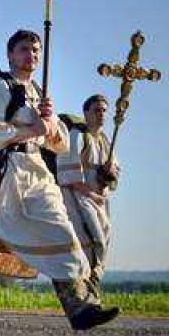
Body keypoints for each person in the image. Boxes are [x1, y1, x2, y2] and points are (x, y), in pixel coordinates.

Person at [0, 30, 120, 330]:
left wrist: (50, 124)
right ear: (10, 54)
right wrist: (30, 130)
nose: (32, 55)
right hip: (5, 174)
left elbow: (59, 144)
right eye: (24, 49)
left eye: (36, 51)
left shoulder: (38, 91)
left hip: (36, 176)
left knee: (62, 231)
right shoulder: (0, 87)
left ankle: (80, 307)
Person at [58, 94, 120, 302]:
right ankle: (84, 297)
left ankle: (92, 289)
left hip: (99, 200)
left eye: (104, 110)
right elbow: (68, 174)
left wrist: (110, 173)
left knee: (102, 243)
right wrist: (90, 193)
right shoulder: (77, 135)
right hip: (78, 197)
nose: (101, 114)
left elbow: (114, 175)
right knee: (87, 243)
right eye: (96, 110)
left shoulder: (104, 140)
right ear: (86, 112)